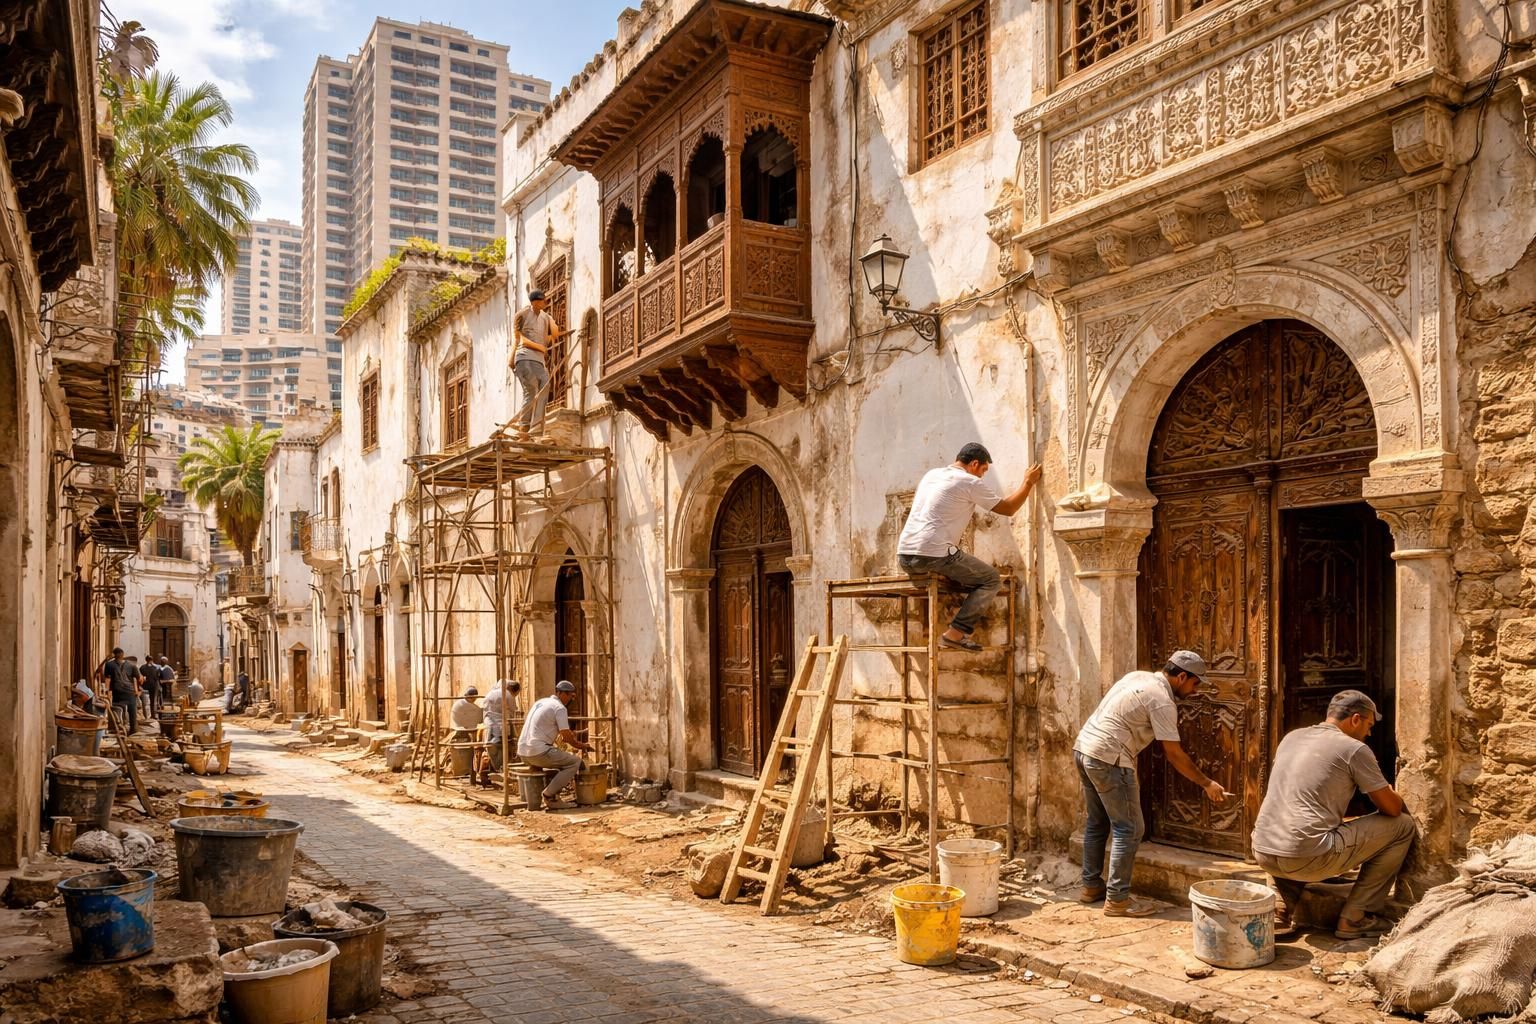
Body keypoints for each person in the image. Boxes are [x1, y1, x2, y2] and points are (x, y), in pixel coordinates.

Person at [1074, 650, 1231, 916]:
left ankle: (1091, 886)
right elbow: (1174, 753)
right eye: (1195, 684)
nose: (1195, 691)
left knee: (1097, 822)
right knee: (1130, 829)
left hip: (1083, 748)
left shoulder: (1138, 677)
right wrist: (1206, 783)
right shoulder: (1162, 701)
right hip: (1109, 757)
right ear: (1182, 677)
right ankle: (1117, 900)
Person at [1251, 690, 1415, 940]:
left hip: (1262, 852)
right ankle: (1355, 917)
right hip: (1306, 858)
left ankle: (1279, 910)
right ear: (1356, 719)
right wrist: (1393, 793)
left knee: (1291, 827)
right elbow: (1391, 809)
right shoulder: (1354, 749)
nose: (1369, 733)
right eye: (1369, 725)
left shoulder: (1291, 738)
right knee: (1403, 825)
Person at [897, 443, 1041, 651]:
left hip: (905, 556)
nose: (982, 475)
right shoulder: (969, 481)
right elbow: (1008, 508)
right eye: (983, 470)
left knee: (960, 566)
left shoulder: (932, 475)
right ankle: (955, 634)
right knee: (991, 579)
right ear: (974, 464)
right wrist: (1028, 482)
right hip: (932, 555)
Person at [516, 680, 592, 810]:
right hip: (538, 751)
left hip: (523, 751)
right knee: (574, 762)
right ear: (562, 693)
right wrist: (582, 746)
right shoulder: (559, 708)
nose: (571, 699)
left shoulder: (540, 702)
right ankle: (549, 796)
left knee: (559, 760)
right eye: (571, 696)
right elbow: (566, 737)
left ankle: (546, 795)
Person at [510, 289, 560, 442]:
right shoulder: (522, 314)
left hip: (539, 361)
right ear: (533, 302)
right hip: (524, 358)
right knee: (531, 390)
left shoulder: (545, 317)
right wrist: (511, 359)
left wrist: (551, 322)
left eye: (543, 301)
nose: (542, 303)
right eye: (539, 301)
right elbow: (519, 339)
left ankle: (536, 427)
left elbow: (555, 334)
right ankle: (524, 427)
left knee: (544, 388)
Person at [480, 679, 522, 778]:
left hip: (489, 726)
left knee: (491, 747)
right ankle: (502, 770)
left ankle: (495, 768)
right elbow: (512, 713)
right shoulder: (508, 695)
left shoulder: (490, 693)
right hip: (502, 727)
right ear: (513, 690)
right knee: (506, 748)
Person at [100, 648, 137, 734]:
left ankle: (118, 726)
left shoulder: (109, 665)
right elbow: (136, 679)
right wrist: (135, 690)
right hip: (129, 691)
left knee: (117, 710)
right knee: (132, 710)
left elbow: (107, 679)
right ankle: (133, 729)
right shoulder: (131, 665)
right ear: (123, 654)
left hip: (117, 691)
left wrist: (107, 692)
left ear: (114, 655)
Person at [140, 652, 161, 717]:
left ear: (146, 660)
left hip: (145, 686)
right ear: (152, 660)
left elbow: (141, 677)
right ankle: (153, 714)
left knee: (144, 701)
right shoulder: (155, 668)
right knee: (153, 701)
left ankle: (145, 715)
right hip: (153, 685)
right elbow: (157, 677)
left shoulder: (142, 667)